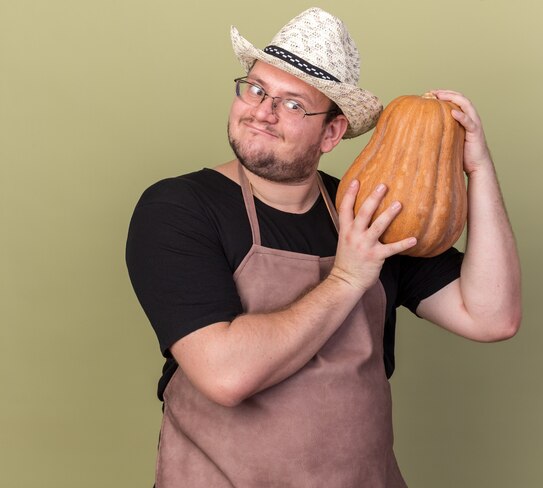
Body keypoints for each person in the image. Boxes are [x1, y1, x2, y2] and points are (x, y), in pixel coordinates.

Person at [125, 7, 521, 488]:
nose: (262, 112)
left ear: (331, 133)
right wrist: (349, 277)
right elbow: (224, 375)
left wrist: (477, 169)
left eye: (293, 104)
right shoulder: (179, 208)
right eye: (255, 90)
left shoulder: (372, 210)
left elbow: (492, 316)